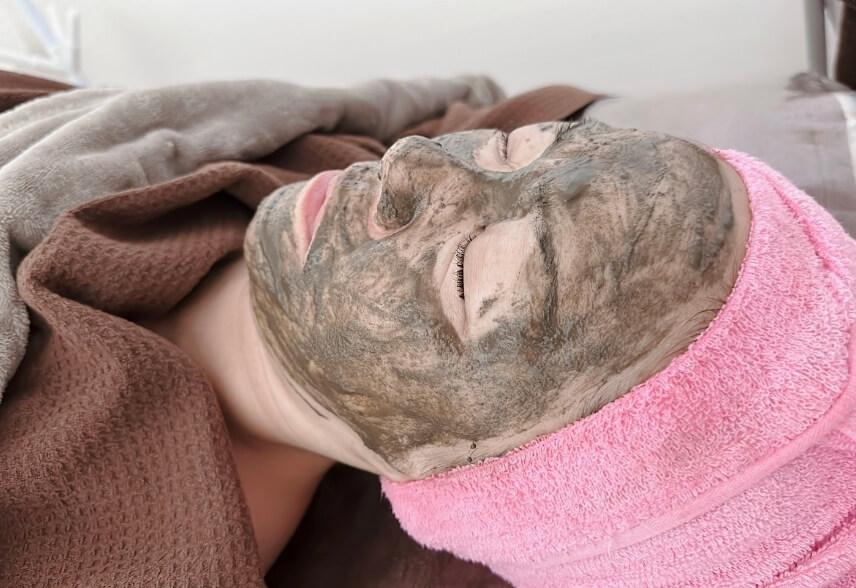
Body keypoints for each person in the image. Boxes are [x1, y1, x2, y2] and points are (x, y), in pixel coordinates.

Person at [141, 117, 752, 572]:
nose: (409, 156)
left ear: (488, 475)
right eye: (511, 147)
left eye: (467, 271)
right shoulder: (334, 128)